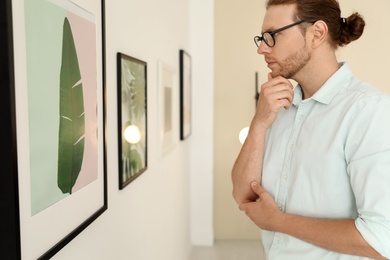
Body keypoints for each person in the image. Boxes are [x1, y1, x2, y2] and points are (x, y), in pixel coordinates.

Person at [231, 0, 390, 259]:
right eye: (261, 37)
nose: (262, 48)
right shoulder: (277, 108)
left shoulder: (369, 112)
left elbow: (382, 240)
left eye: (272, 36)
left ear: (316, 34)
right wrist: (259, 124)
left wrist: (278, 221)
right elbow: (242, 195)